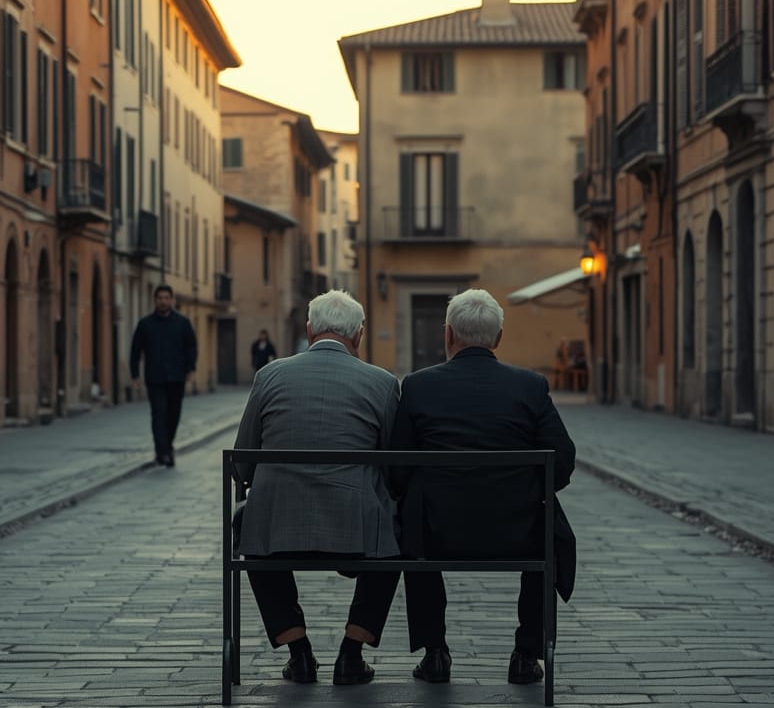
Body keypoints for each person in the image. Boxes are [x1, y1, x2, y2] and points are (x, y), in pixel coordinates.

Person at [390, 288, 576, 686]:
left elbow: (398, 470)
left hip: (436, 535)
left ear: (448, 335)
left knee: (413, 515)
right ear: (498, 338)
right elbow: (562, 462)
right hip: (518, 533)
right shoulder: (530, 386)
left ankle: (435, 651)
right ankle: (526, 654)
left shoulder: (418, 386)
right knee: (547, 524)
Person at [233, 290, 401, 686]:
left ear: (309, 331)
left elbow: (242, 460)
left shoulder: (269, 375)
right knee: (397, 536)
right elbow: (395, 465)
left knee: (250, 529)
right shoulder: (382, 383)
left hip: (276, 529)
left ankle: (299, 651)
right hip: (357, 529)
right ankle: (352, 651)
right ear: (359, 334)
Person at [130, 284, 197, 467]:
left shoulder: (182, 323)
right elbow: (136, 350)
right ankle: (163, 452)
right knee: (158, 413)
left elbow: (191, 346)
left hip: (177, 376)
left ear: (172, 300)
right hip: (155, 377)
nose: (163, 301)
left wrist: (190, 368)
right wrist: (135, 374)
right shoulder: (145, 324)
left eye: (166, 298)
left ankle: (167, 446)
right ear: (155, 300)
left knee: (173, 415)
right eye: (160, 298)